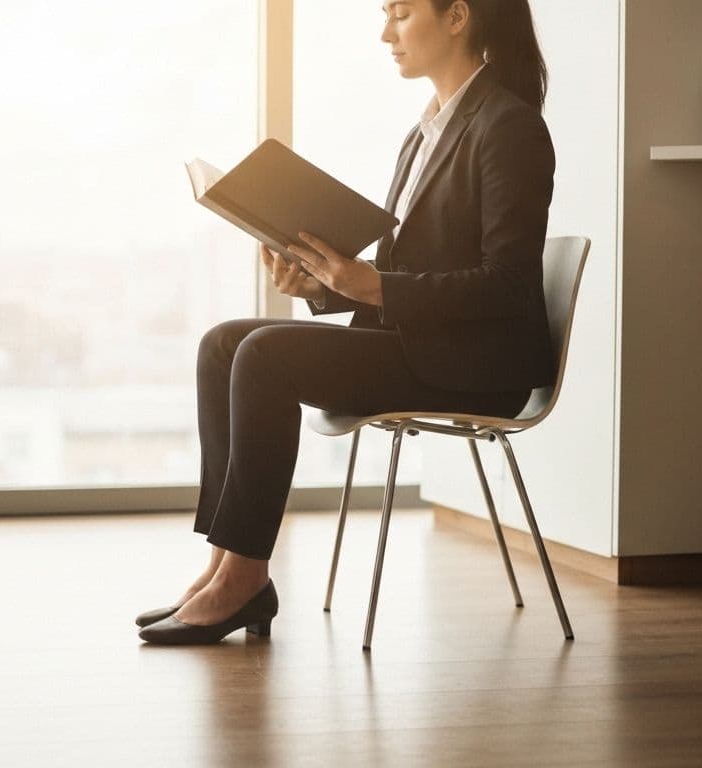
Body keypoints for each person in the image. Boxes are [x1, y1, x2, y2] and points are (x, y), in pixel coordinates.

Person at [137, 0, 554, 644]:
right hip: (417, 344)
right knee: (224, 344)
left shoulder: (509, 127)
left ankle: (244, 578)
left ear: (458, 17)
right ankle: (224, 561)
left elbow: (509, 286)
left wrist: (374, 284)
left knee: (264, 355)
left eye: (401, 13)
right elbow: (399, 274)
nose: (385, 32)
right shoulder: (424, 133)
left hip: (476, 364)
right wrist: (327, 286)